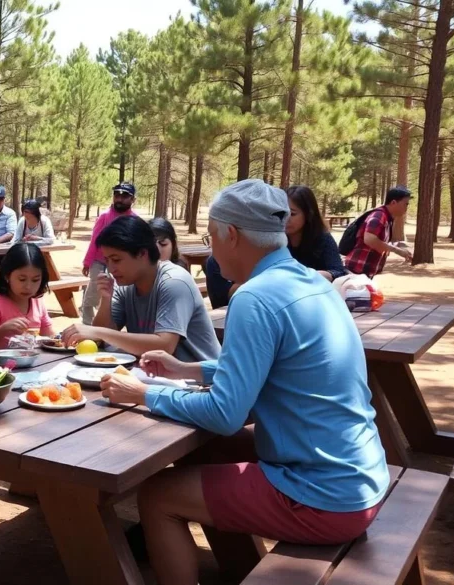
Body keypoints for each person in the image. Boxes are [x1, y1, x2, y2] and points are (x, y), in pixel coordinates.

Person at [98, 179, 389, 585]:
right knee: (208, 452)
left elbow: (225, 413)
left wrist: (144, 393)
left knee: (157, 496)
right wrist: (188, 370)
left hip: (324, 495)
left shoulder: (254, 297)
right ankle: (237, 565)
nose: (211, 249)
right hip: (361, 476)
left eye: (210, 236)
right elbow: (276, 369)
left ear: (230, 235)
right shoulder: (312, 283)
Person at [62, 216, 221, 363]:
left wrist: (97, 332)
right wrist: (106, 299)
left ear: (142, 254)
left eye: (116, 260)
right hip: (159, 377)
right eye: (107, 260)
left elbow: (165, 346)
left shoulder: (174, 282)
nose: (110, 268)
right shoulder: (125, 283)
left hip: (201, 381)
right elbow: (104, 336)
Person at [206, 185, 349, 309]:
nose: (285, 219)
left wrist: (320, 275)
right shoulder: (272, 246)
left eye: (292, 214)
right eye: (280, 213)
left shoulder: (321, 239)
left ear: (308, 215)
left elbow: (338, 271)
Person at [81, 182, 138, 325]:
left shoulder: (134, 220)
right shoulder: (105, 216)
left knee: (116, 291)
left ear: (132, 200)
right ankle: (87, 323)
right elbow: (95, 239)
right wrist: (87, 262)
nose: (120, 199)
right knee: (94, 289)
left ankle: (109, 323)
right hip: (99, 260)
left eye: (125, 196)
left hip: (122, 263)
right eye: (117, 195)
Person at [0, 243, 56, 350]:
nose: (28, 286)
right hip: (3, 364)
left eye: (35, 280)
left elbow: (49, 335)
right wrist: (2, 330)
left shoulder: (37, 302)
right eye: (22, 279)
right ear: (7, 276)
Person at [345, 185, 414, 278]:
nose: (406, 208)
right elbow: (369, 239)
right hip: (356, 270)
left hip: (363, 271)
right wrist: (397, 251)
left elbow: (379, 242)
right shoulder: (379, 215)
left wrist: (399, 249)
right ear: (393, 202)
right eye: (405, 204)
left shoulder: (386, 218)